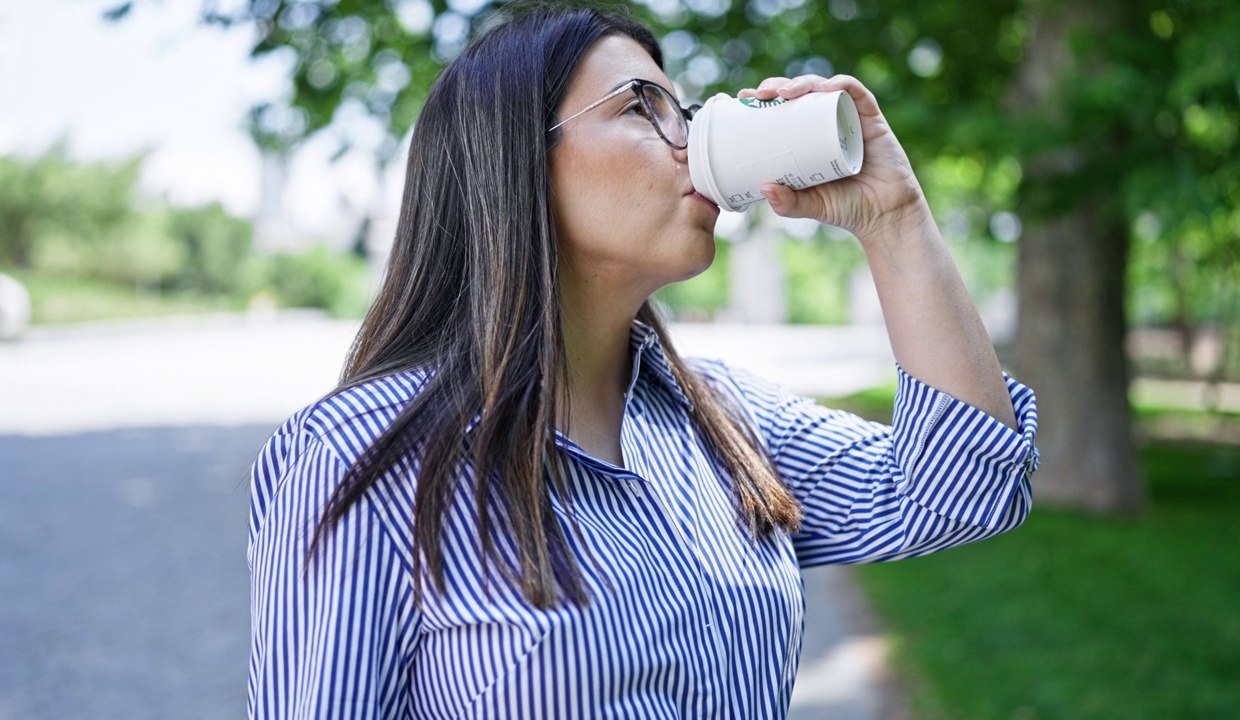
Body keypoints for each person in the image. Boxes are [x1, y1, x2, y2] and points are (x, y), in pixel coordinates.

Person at [246, 3, 1040, 718]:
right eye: (642, 107)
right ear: (516, 157)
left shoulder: (724, 421)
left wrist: (893, 216)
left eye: (686, 112)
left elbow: (967, 488)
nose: (692, 143)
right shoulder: (361, 458)